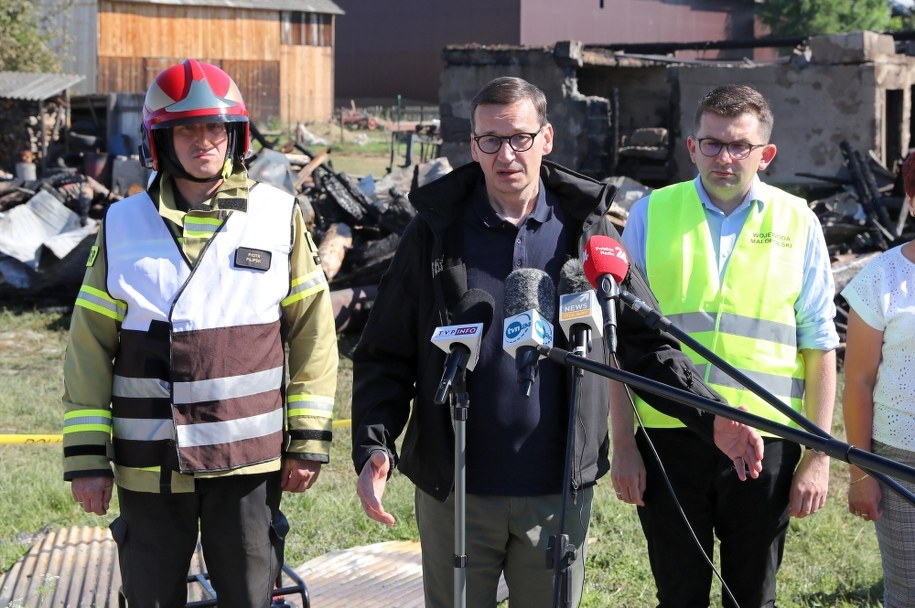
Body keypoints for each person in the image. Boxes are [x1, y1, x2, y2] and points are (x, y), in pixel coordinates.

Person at [351, 76, 765, 608]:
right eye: (491, 140)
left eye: (520, 138)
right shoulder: (435, 232)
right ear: (473, 146)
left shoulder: (588, 232)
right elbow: (384, 351)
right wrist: (374, 444)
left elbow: (646, 346)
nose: (506, 155)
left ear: (546, 139)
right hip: (455, 490)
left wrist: (712, 416)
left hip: (556, 494)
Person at [61, 58, 338, 608]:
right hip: (149, 462)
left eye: (215, 127)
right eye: (186, 129)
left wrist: (308, 438)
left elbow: (314, 334)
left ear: (235, 135)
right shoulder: (122, 224)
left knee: (250, 597)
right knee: (150, 597)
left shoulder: (277, 215)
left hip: (246, 459)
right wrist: (87, 459)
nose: (204, 140)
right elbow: (88, 346)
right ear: (159, 140)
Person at [611, 83, 839, 608]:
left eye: (740, 145)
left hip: (766, 442)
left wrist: (818, 456)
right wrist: (623, 445)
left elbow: (820, 345)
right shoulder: (649, 214)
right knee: (679, 595)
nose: (725, 157)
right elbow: (621, 343)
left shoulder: (798, 221)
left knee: (752, 596)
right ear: (691, 147)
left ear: (766, 154)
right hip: (669, 436)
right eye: (712, 144)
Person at [843, 151, 915, 608]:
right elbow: (859, 382)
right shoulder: (883, 278)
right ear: (912, 199)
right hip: (900, 460)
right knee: (908, 593)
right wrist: (861, 473)